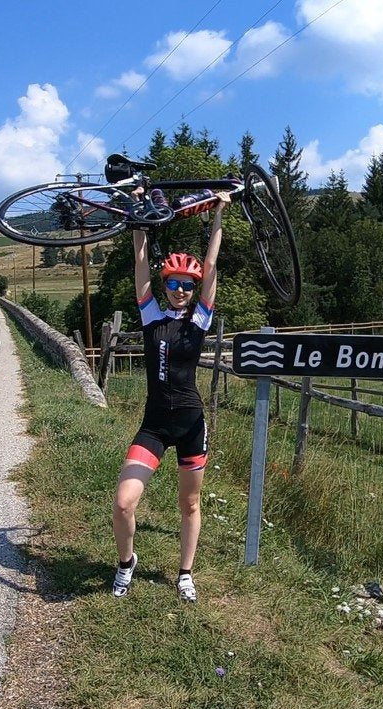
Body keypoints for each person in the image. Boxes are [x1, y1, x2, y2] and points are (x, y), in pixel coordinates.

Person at [111, 189, 229, 602]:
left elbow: (212, 267)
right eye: (174, 283)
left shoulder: (198, 320)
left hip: (191, 424)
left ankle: (184, 573)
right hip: (155, 425)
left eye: (187, 285)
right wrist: (138, 220)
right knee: (124, 502)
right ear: (166, 286)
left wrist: (217, 214)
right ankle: (127, 564)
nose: (180, 289)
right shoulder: (151, 318)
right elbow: (140, 265)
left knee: (190, 505)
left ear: (193, 289)